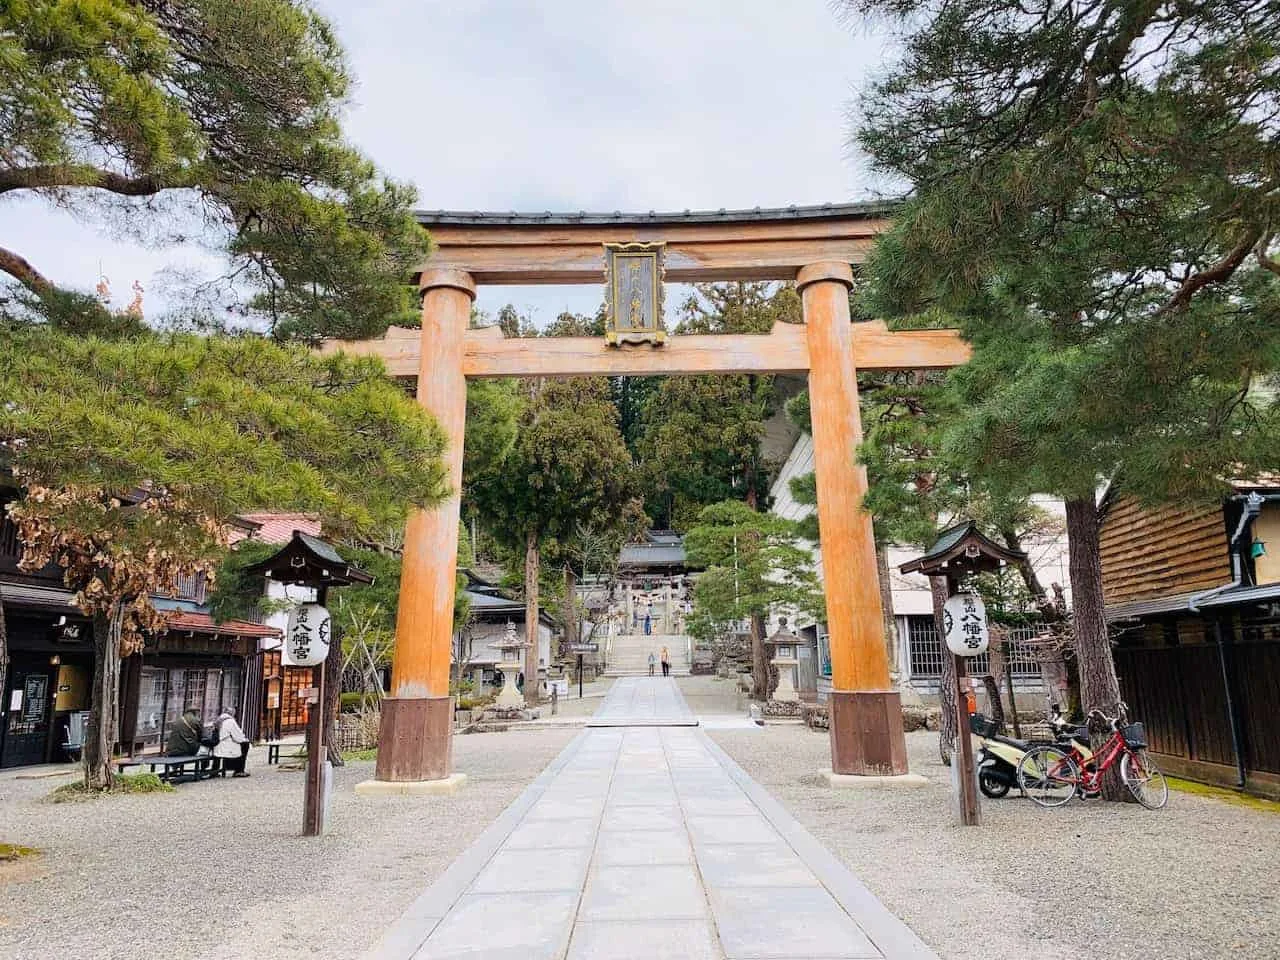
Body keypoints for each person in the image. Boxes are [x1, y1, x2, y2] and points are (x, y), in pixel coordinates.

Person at [212, 706, 251, 777]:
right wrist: (244, 739)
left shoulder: (219, 719)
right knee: (245, 745)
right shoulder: (230, 721)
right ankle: (239, 770)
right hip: (226, 746)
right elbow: (238, 737)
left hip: (217, 746)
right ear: (232, 713)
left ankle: (215, 770)